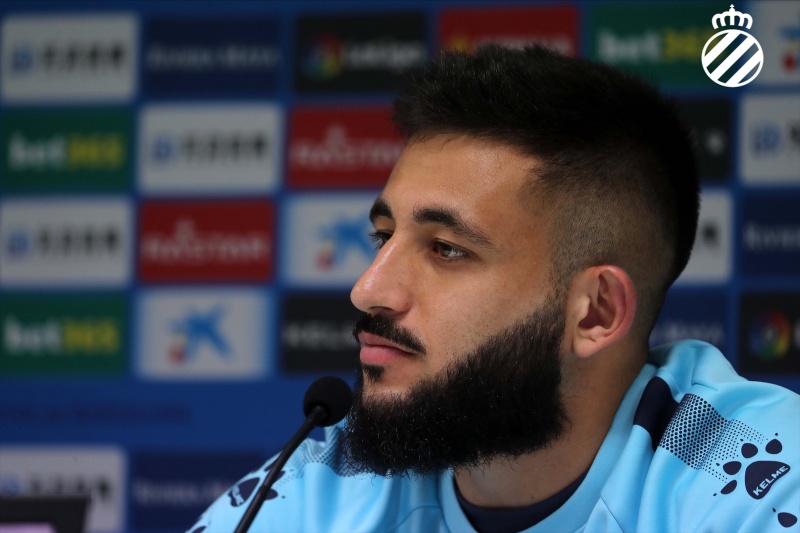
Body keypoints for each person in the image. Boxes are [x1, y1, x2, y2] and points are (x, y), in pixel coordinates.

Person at [189, 44, 799, 533]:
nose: (367, 290)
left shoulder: (760, 488)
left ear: (595, 313)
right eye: (383, 236)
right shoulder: (319, 495)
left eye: (447, 249)